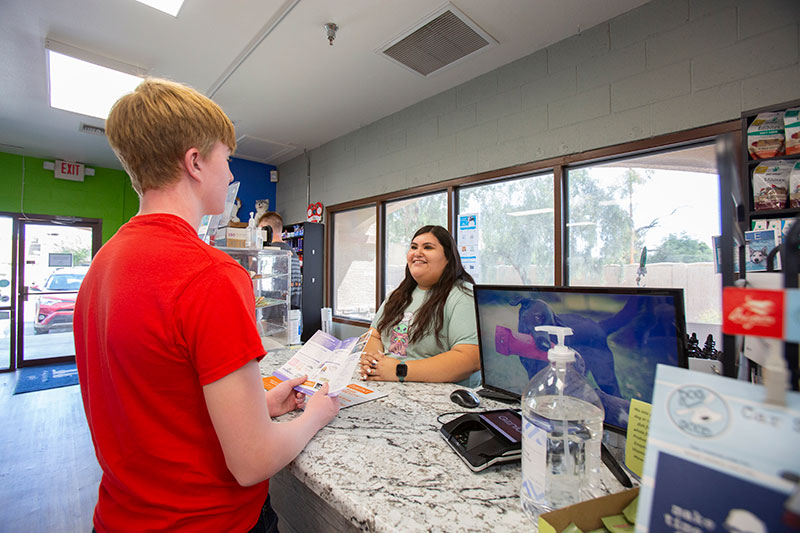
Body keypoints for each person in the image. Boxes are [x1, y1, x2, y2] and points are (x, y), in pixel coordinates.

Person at [73, 78, 339, 533]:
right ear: (195, 162)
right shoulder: (210, 274)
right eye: (227, 158)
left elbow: (162, 398)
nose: (232, 175)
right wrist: (314, 415)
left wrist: (261, 405)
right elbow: (253, 461)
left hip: (119, 517)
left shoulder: (103, 263)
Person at [358, 225, 480, 384]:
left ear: (448, 257)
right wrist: (372, 362)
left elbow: (469, 357)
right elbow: (373, 335)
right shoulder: (398, 296)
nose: (417, 253)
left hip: (438, 398)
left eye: (428, 247)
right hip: (386, 386)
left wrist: (399, 370)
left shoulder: (463, 295)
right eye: (413, 247)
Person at [258, 211, 302, 310]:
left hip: (273, 313)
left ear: (266, 229)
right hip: (292, 310)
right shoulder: (291, 252)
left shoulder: (270, 252)